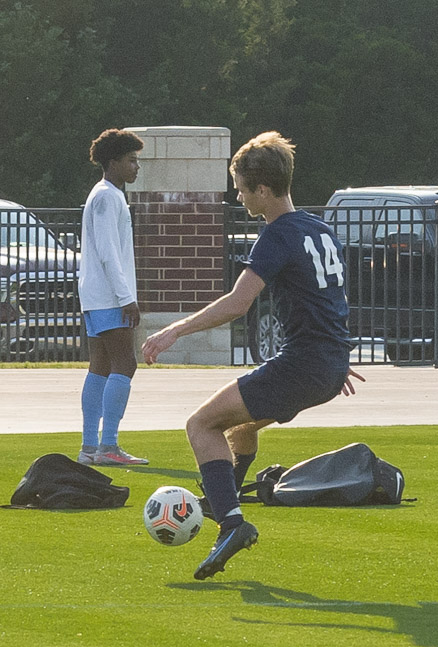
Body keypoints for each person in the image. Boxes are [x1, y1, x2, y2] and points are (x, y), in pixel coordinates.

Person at [143, 131, 363, 580]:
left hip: (305, 363)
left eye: (243, 188)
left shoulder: (277, 235)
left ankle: (230, 522)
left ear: (263, 189)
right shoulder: (319, 228)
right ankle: (224, 496)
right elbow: (332, 299)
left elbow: (237, 304)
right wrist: (334, 358)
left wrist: (174, 330)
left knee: (200, 424)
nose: (239, 196)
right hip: (325, 364)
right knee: (239, 427)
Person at [77, 129, 149, 467]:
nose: (136, 167)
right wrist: (126, 297)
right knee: (126, 364)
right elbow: (108, 253)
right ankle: (108, 446)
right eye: (131, 160)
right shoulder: (107, 197)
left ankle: (90, 446)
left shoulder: (105, 194)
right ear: (113, 162)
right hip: (108, 296)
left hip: (94, 295)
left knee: (100, 367)